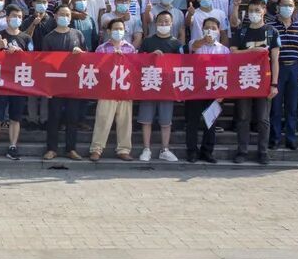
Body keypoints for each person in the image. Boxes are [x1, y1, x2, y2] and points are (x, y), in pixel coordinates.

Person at [230, 0, 281, 164]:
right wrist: (252, 51)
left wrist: (274, 84)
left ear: (264, 11)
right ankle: (242, 151)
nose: (254, 13)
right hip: (244, 79)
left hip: (264, 81)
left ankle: (263, 152)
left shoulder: (271, 32)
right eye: (251, 11)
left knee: (263, 118)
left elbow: (275, 60)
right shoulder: (242, 32)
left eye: (257, 10)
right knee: (243, 117)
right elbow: (233, 52)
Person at [0, 5, 30, 160]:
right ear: (7, 18)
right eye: (13, 16)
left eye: (19, 17)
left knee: (15, 117)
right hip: (1, 81)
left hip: (18, 82)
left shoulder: (26, 38)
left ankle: (13, 147)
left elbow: (33, 60)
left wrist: (21, 53)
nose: (16, 19)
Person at [41, 5, 87, 160]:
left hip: (73, 82)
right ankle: (51, 149)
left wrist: (81, 53)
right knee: (54, 116)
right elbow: (44, 62)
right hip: (55, 82)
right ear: (55, 16)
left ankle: (71, 149)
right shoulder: (49, 38)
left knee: (72, 117)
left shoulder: (77, 34)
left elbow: (87, 57)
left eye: (67, 14)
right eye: (62, 14)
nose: (65, 17)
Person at [88, 19, 135, 162]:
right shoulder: (102, 48)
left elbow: (135, 69)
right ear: (109, 31)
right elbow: (96, 68)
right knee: (103, 119)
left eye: (121, 29)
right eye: (115, 29)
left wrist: (123, 59)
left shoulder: (130, 48)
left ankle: (124, 150)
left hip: (124, 90)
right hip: (107, 89)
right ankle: (96, 149)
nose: (118, 31)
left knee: (125, 121)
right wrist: (110, 59)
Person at [137, 11, 180, 163]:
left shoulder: (176, 43)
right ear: (155, 23)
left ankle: (165, 149)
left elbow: (181, 65)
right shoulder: (148, 42)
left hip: (168, 87)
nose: (163, 24)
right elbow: (138, 61)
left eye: (166, 21)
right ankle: (146, 149)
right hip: (149, 84)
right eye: (160, 21)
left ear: (172, 24)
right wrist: (151, 56)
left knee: (166, 121)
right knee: (146, 119)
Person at [185, 17, 229, 163]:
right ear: (202, 29)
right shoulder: (195, 43)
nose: (210, 30)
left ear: (219, 31)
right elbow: (193, 47)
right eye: (207, 27)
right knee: (193, 122)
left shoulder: (223, 49)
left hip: (214, 90)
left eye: (213, 28)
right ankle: (192, 151)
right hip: (195, 89)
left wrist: (223, 92)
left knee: (210, 122)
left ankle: (207, 152)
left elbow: (227, 71)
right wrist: (204, 40)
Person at [270, 0, 298, 151]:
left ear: (294, 7)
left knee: (292, 107)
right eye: (284, 5)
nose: (287, 8)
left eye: (290, 5)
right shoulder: (270, 26)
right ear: (278, 7)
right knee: (275, 106)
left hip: (294, 68)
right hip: (276, 68)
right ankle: (274, 138)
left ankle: (291, 139)